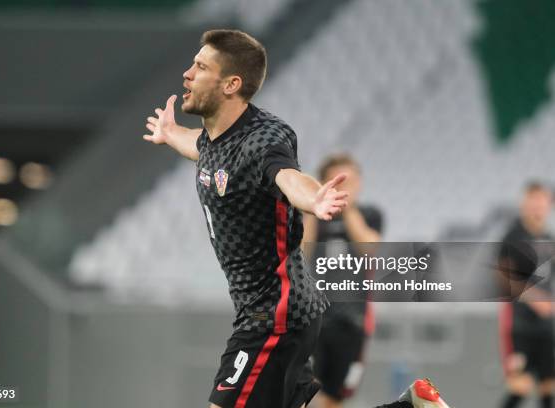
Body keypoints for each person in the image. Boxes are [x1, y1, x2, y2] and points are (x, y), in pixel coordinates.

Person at [143, 28, 450, 408]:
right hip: (270, 310)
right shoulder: (215, 139)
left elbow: (285, 176)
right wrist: (171, 133)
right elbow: (203, 152)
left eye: (201, 67)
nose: (188, 73)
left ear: (231, 84)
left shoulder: (262, 139)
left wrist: (312, 197)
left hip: (274, 313)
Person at [303, 155, 382, 408]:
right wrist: (317, 207)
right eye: (338, 180)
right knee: (303, 390)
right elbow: (300, 253)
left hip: (351, 319)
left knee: (335, 397)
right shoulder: (310, 217)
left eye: (351, 181)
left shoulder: (369, 214)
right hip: (313, 317)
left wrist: (347, 210)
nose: (345, 187)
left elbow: (370, 249)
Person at [498, 182, 554, 408]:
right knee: (519, 387)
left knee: (548, 388)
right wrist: (534, 297)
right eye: (533, 201)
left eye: (542, 201)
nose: (538, 207)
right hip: (520, 325)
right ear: (524, 204)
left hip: (547, 326)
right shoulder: (513, 236)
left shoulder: (549, 238)